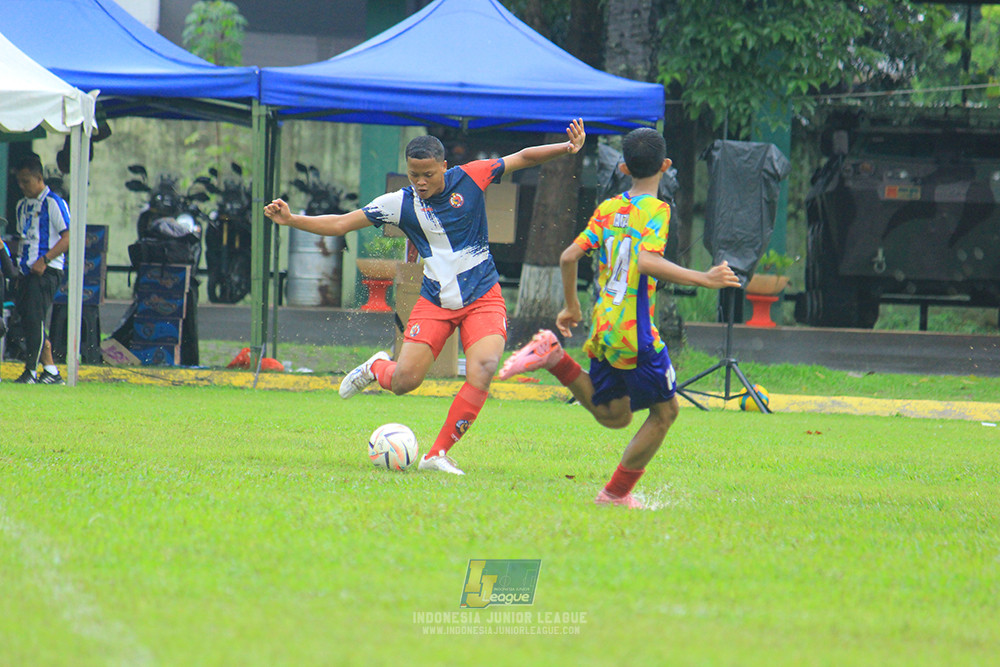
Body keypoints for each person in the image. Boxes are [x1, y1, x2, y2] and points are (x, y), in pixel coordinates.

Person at [265, 119, 587, 474]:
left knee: (483, 368)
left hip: (483, 296)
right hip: (436, 302)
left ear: (444, 167)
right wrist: (292, 220)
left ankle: (437, 455)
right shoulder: (399, 203)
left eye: (428, 174)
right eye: (414, 174)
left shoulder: (472, 176)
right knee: (405, 382)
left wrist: (566, 148)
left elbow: (522, 157)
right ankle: (376, 367)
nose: (420, 182)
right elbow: (342, 223)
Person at [498, 128, 740, 507]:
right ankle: (614, 495)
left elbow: (568, 257)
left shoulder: (609, 208)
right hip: (635, 332)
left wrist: (571, 306)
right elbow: (647, 261)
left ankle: (554, 357)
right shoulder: (657, 210)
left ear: (624, 168)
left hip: (604, 324)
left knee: (614, 414)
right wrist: (705, 278)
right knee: (665, 413)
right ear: (665, 166)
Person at [11, 153, 70, 385]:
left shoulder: (53, 203)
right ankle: (51, 371)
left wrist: (44, 260)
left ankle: (30, 372)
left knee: (35, 320)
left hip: (46, 271)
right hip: (26, 271)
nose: (22, 186)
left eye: (26, 181)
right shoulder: (21, 205)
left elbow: (68, 237)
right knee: (28, 320)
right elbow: (23, 239)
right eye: (19, 181)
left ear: (39, 178)